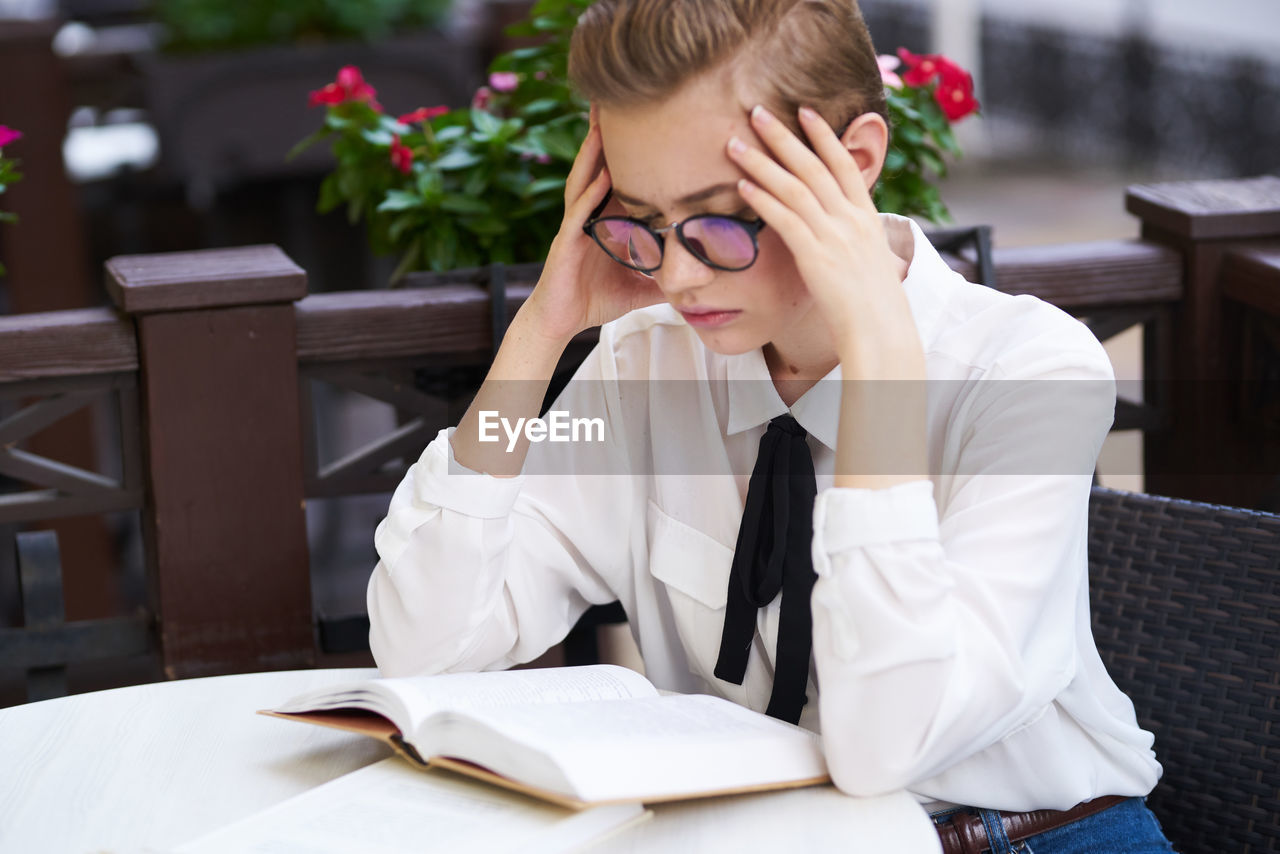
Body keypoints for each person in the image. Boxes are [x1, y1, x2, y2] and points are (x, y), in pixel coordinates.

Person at [368, 0, 1174, 850]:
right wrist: (539, 330)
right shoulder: (644, 366)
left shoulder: (1027, 372)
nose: (676, 274)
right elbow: (426, 647)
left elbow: (884, 747)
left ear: (853, 162)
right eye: (640, 220)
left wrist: (878, 363)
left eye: (718, 221)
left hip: (1032, 836)